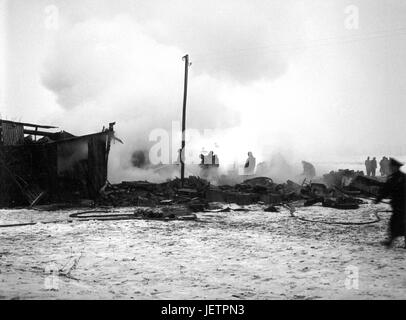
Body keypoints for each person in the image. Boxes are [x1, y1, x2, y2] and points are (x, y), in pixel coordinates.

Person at [375, 158, 406, 248]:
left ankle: (390, 241)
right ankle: (391, 241)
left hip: (401, 204)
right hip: (398, 204)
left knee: (395, 222)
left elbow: (386, 190)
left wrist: (378, 198)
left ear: (395, 167)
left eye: (391, 167)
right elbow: (386, 190)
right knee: (399, 222)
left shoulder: (397, 178)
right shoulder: (401, 177)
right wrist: (378, 198)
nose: (390, 168)